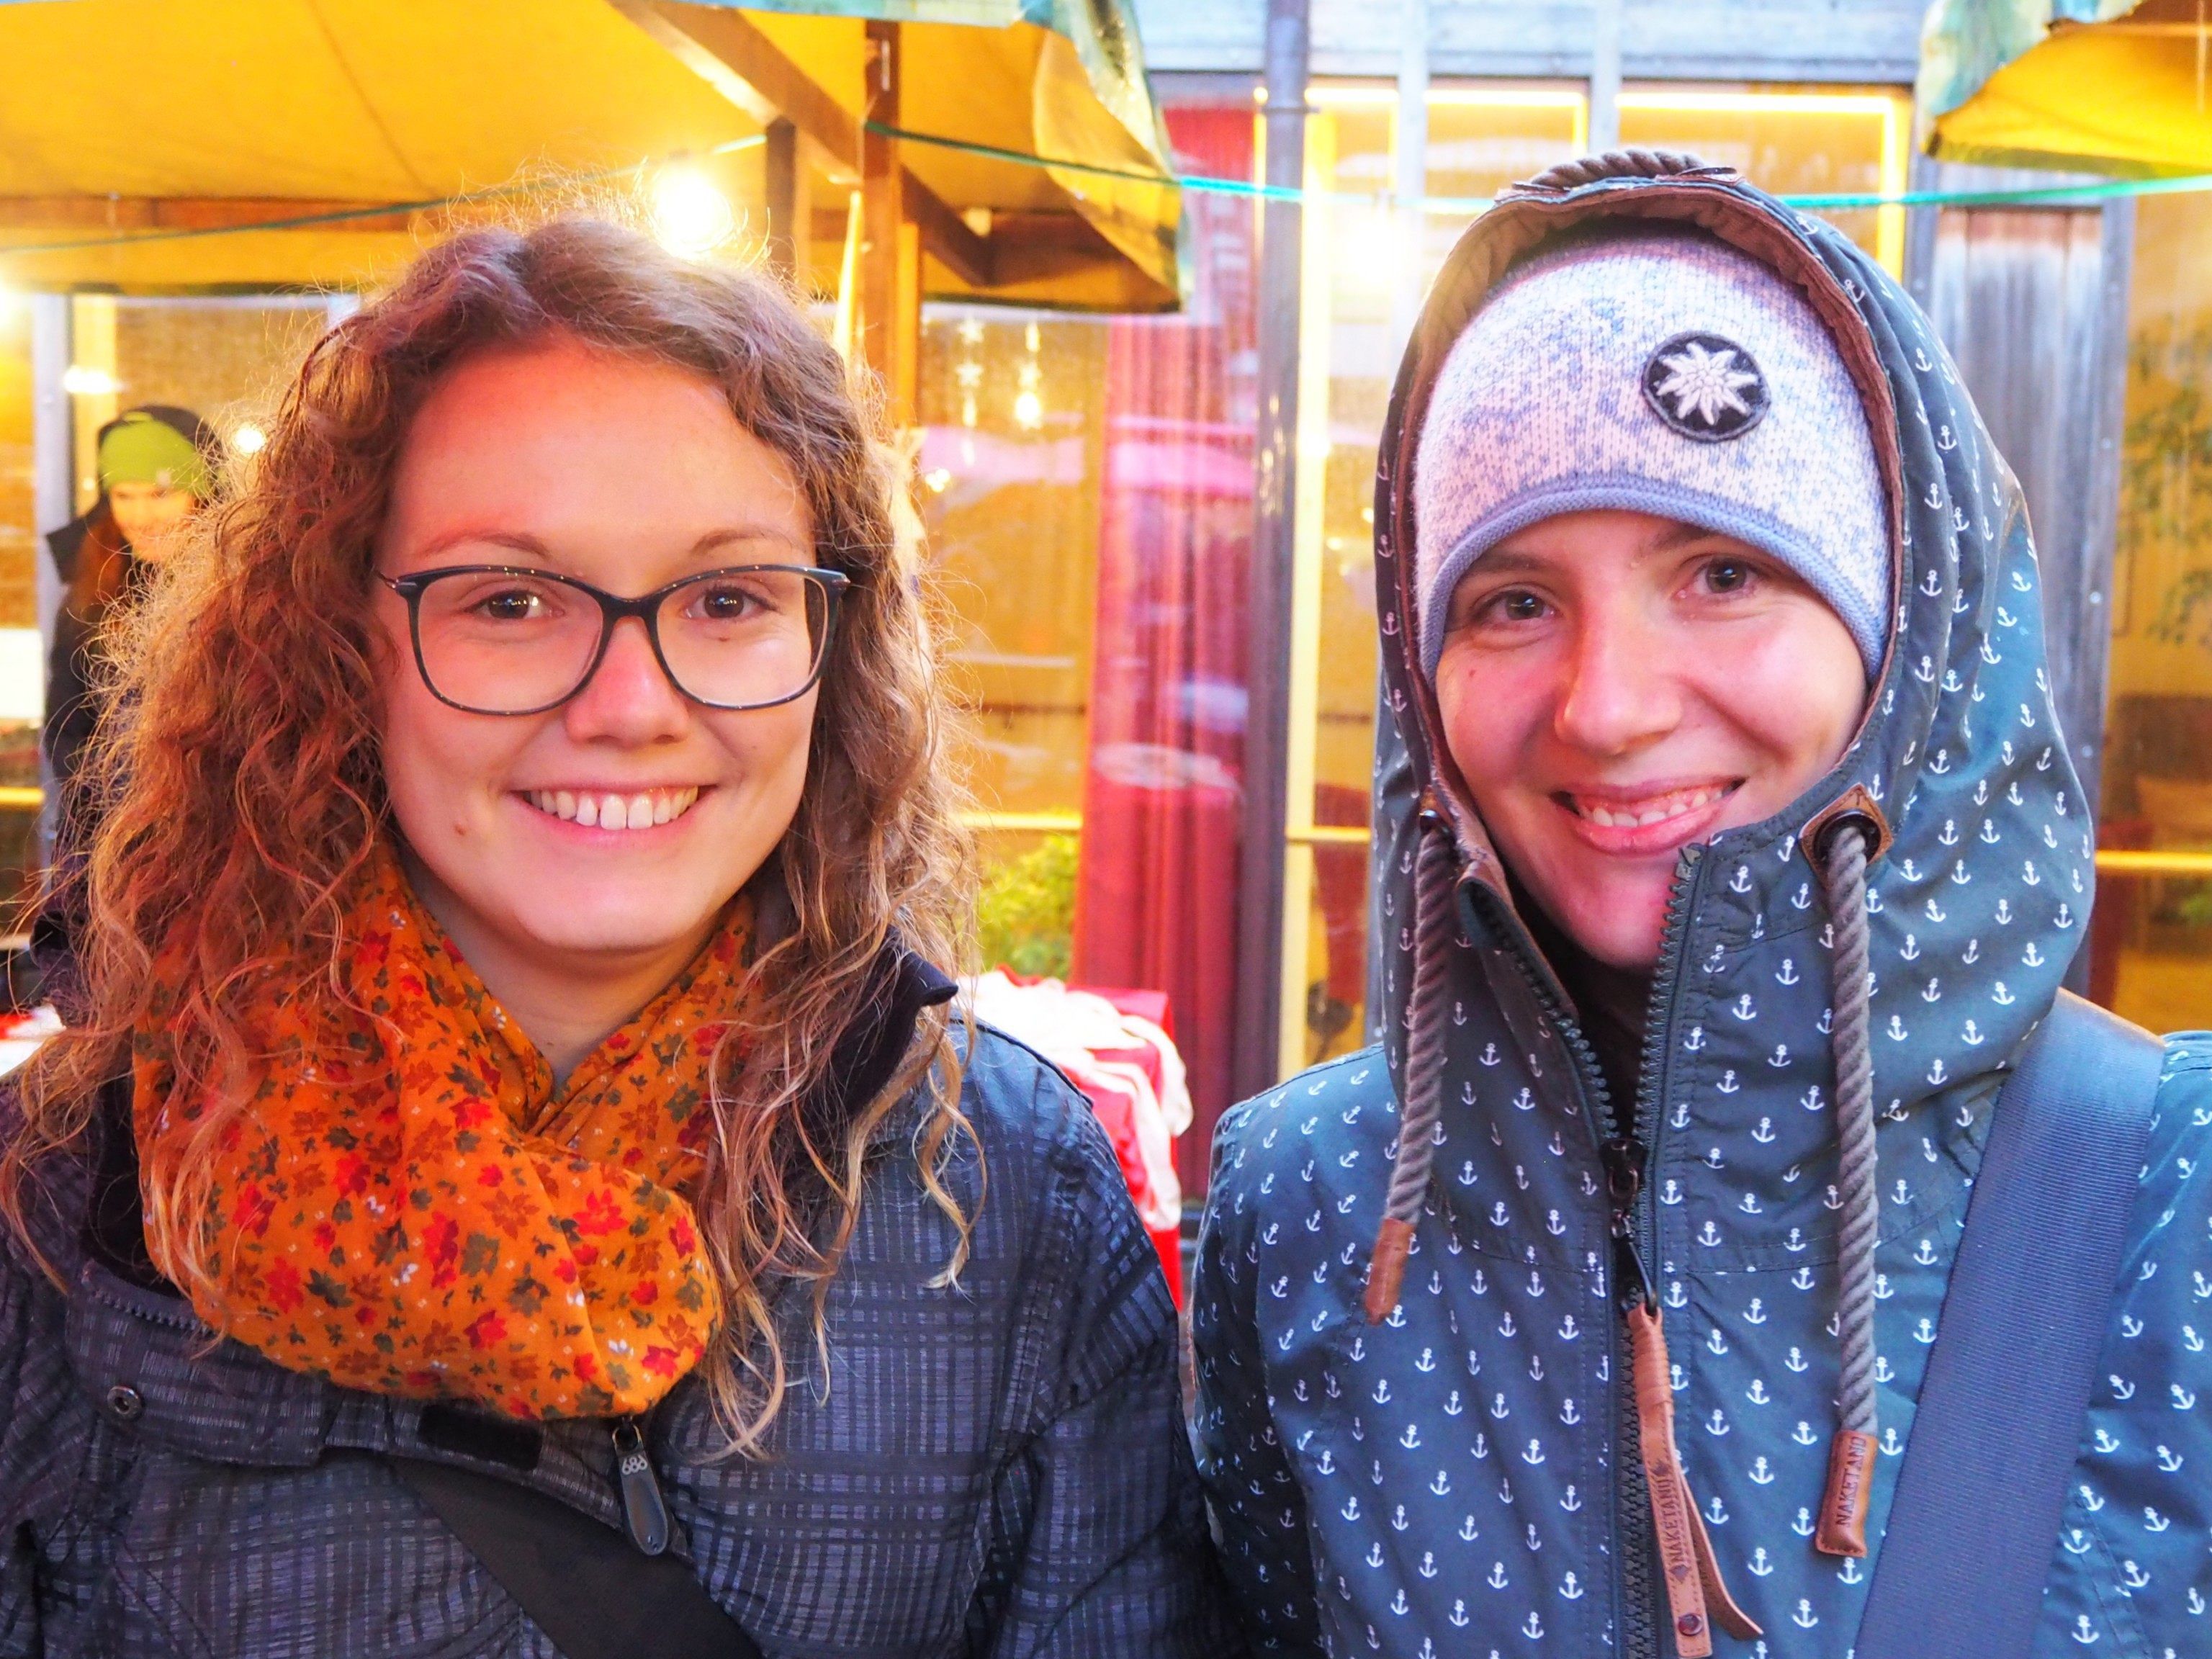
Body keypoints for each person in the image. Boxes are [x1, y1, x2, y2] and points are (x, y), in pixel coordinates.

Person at [0, 221, 1236, 1656]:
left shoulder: (1007, 1198)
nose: (631, 703)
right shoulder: (71, 1198)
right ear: (344, 646)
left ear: (831, 652)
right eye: (510, 601)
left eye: (726, 601)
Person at [1192, 152, 2212, 1657]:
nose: (1607, 708)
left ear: (1899, 629)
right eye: (1514, 602)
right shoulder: (1301, 1211)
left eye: (1724, 572)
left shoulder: (2170, 1194)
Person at [43, 405, 219, 807]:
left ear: (202, 495)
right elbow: (66, 729)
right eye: (124, 496)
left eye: (160, 494)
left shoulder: (242, 591)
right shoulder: (92, 593)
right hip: (112, 832)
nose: (141, 517)